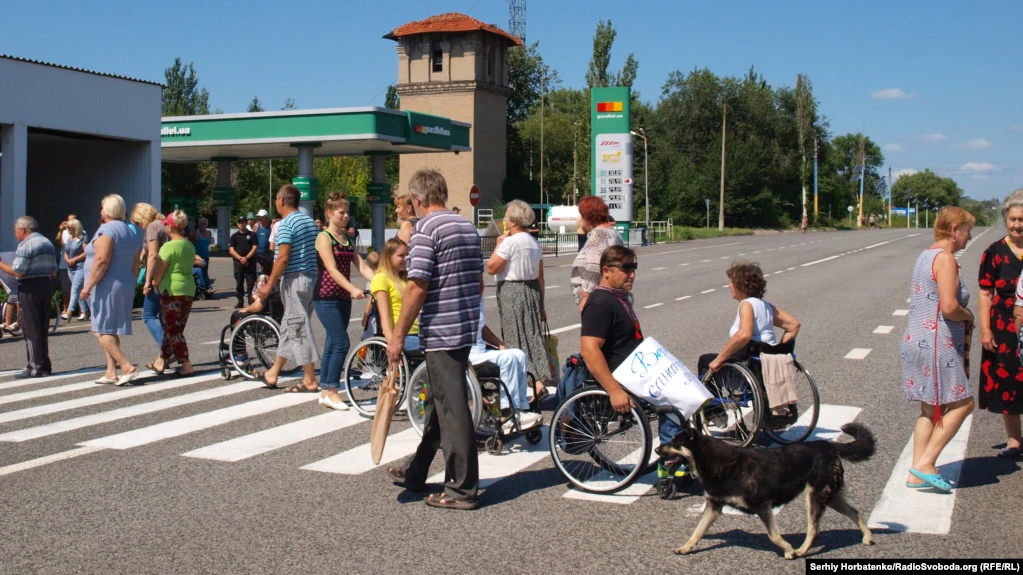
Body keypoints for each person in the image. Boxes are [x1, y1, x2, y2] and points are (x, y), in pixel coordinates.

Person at [385, 168, 484, 510]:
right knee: (437, 404)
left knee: (453, 409)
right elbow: (479, 281)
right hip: (464, 323)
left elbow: (416, 285)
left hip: (441, 330)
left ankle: (461, 489)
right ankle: (416, 472)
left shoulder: (426, 229)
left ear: (417, 199)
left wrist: (397, 336)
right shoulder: (467, 225)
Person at [579, 245, 683, 478]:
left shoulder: (618, 299)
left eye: (634, 268)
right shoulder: (600, 304)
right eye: (626, 269)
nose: (632, 274)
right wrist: (614, 391)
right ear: (606, 271)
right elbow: (589, 350)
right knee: (675, 398)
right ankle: (671, 460)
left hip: (640, 371)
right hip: (624, 378)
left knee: (689, 386)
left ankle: (687, 449)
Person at [901, 206, 976, 491]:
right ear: (955, 230)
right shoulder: (945, 258)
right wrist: (968, 317)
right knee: (964, 403)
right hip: (936, 342)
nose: (969, 237)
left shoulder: (926, 255)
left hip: (916, 339)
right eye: (968, 230)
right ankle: (926, 464)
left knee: (930, 409)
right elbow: (949, 306)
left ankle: (915, 473)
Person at [697, 262, 801, 429]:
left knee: (705, 361)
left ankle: (715, 413)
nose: (729, 285)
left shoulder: (746, 304)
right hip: (764, 362)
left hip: (750, 365)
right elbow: (793, 324)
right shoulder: (765, 306)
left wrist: (719, 359)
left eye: (731, 281)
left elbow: (744, 334)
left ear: (740, 285)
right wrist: (778, 351)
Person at [485, 199, 552, 409]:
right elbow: (541, 276)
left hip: (512, 291)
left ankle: (530, 385)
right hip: (531, 290)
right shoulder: (533, 241)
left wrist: (498, 246)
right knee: (531, 336)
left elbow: (491, 268)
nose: (504, 219)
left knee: (515, 338)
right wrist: (541, 304)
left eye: (506, 216)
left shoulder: (510, 242)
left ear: (513, 221)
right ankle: (539, 380)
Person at [254, 185, 321, 393]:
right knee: (289, 326)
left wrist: (269, 285)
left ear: (282, 200)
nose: (276, 202)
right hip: (311, 277)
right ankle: (273, 372)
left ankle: (309, 378)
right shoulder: (310, 222)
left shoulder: (285, 224)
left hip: (294, 279)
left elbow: (282, 257)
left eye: (276, 199)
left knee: (298, 327)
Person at [314, 192, 375, 411]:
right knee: (341, 343)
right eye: (341, 212)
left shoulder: (347, 239)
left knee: (332, 343)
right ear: (329, 213)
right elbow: (331, 268)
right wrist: (352, 289)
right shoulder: (324, 238)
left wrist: (382, 282)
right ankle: (331, 390)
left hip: (342, 299)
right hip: (325, 297)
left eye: (347, 212)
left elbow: (363, 267)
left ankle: (325, 391)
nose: (345, 216)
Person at [81, 194, 143, 385]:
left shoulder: (107, 229)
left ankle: (126, 366)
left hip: (107, 284)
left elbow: (101, 260)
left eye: (101, 207)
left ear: (106, 209)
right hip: (123, 282)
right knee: (111, 328)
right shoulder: (129, 231)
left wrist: (88, 286)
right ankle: (110, 371)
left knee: (100, 330)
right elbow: (136, 262)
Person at [980, 189, 1023, 458]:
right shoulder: (994, 252)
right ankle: (1014, 440)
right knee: (1010, 383)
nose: (1018, 225)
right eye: (1014, 219)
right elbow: (986, 293)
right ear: (1006, 220)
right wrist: (985, 329)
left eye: (1022, 219)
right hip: (1005, 327)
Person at [469, 298, 543, 432]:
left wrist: (500, 344)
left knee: (519, 354)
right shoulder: (461, 297)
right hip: (468, 354)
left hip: (481, 351)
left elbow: (482, 327)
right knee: (508, 358)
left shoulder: (478, 299)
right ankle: (507, 415)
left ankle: (520, 409)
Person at [0, 216, 57, 378]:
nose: (15, 234)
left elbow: (18, 271)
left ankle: (34, 367)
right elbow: (53, 271)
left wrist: (1, 264)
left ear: (23, 230)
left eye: (16, 231)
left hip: (30, 287)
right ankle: (45, 365)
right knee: (42, 327)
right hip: (46, 284)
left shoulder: (26, 245)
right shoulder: (47, 243)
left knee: (30, 328)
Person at [148, 210, 198, 377]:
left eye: (166, 225)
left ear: (171, 226)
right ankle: (161, 361)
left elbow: (159, 270)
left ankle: (186, 364)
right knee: (175, 328)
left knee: (172, 330)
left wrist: (155, 282)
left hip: (171, 290)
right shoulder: (189, 245)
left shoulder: (168, 247)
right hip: (188, 288)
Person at [571, 196, 624, 313]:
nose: (580, 219)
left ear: (588, 217)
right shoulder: (611, 232)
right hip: (610, 296)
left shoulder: (598, 235)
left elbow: (593, 268)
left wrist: (586, 296)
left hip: (598, 301)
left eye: (581, 215)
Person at [371, 238, 419, 349]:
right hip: (402, 336)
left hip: (418, 332)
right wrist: (392, 343)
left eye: (407, 255)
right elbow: (384, 316)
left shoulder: (404, 279)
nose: (405, 259)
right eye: (401, 256)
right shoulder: (381, 278)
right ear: (388, 257)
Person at [132, 203, 167, 351]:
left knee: (148, 315)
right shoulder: (164, 224)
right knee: (163, 317)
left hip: (156, 276)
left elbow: (153, 254)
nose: (139, 226)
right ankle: (172, 350)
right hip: (168, 274)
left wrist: (147, 281)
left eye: (138, 222)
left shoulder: (152, 227)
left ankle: (166, 349)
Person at [61, 219, 90, 321]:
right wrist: (67, 259)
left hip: (80, 267)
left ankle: (69, 311)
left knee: (74, 289)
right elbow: (66, 252)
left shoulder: (82, 237)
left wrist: (75, 259)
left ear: (75, 227)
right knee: (78, 290)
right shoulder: (69, 239)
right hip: (71, 268)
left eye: (69, 227)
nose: (67, 229)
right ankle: (84, 311)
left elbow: (86, 252)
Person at [229, 215, 258, 309]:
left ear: (246, 223)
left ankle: (250, 300)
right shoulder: (234, 236)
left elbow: (255, 247)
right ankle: (240, 301)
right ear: (237, 224)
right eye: (239, 222)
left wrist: (246, 257)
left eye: (243, 222)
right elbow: (231, 250)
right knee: (239, 282)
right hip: (238, 262)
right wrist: (240, 258)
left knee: (251, 282)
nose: (241, 224)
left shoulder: (252, 235)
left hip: (250, 261)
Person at [54, 213, 79, 314]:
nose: (70, 223)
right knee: (65, 289)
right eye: (68, 221)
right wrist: (60, 230)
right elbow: (57, 243)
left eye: (73, 220)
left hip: (77, 265)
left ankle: (81, 310)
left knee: (77, 287)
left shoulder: (81, 232)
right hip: (64, 264)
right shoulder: (64, 233)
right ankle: (65, 309)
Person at [359, 251, 381, 340]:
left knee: (365, 337)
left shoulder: (372, 278)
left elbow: (371, 300)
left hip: (374, 314)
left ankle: (361, 354)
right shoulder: (386, 275)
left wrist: (365, 316)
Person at [190, 217, 214, 292]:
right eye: (201, 223)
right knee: (200, 272)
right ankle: (203, 287)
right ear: (199, 224)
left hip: (206, 256)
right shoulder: (195, 233)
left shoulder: (209, 233)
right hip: (197, 257)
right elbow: (191, 244)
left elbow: (208, 243)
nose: (203, 225)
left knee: (205, 272)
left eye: (204, 224)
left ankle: (206, 287)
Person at [253, 209, 274, 274]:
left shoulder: (270, 226)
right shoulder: (256, 225)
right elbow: (253, 238)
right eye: (259, 216)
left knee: (267, 272)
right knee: (257, 272)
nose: (260, 218)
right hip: (257, 253)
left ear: (265, 217)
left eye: (261, 217)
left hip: (266, 254)